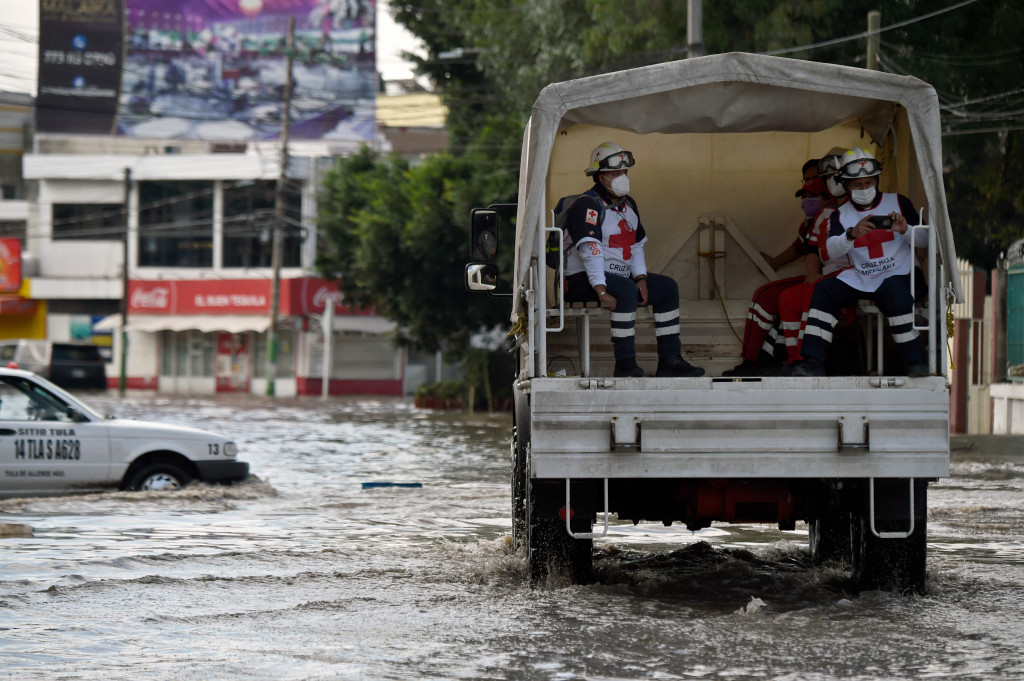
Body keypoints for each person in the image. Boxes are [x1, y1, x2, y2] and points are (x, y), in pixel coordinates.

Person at [561, 142, 705, 378]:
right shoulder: (587, 205)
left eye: (625, 172)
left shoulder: (629, 205)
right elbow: (591, 251)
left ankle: (670, 360)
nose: (622, 178)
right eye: (616, 173)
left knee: (668, 288)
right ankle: (625, 364)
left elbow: (636, 246)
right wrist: (601, 290)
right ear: (600, 176)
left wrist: (641, 278)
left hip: (619, 277)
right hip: (581, 279)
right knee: (626, 290)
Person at [791, 147, 929, 377]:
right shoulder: (840, 213)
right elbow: (828, 253)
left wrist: (905, 229)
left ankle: (915, 361)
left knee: (894, 294)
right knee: (824, 290)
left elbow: (926, 241)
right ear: (845, 185)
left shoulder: (898, 201)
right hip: (862, 276)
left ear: (876, 180)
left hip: (899, 273)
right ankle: (812, 362)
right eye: (857, 185)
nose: (864, 189)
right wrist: (851, 235)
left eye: (868, 183)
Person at [722, 158, 826, 377]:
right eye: (805, 183)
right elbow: (801, 247)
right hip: (817, 279)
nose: (808, 194)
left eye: (813, 183)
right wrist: (775, 263)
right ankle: (759, 361)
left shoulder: (835, 213)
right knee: (773, 297)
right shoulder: (809, 220)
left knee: (767, 295)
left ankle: (761, 362)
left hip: (833, 280)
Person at [776, 148, 849, 367]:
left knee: (813, 296)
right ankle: (793, 361)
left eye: (812, 195)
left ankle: (810, 360)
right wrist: (813, 274)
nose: (807, 201)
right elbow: (809, 249)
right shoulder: (821, 217)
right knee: (788, 298)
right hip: (826, 276)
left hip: (853, 277)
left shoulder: (860, 208)